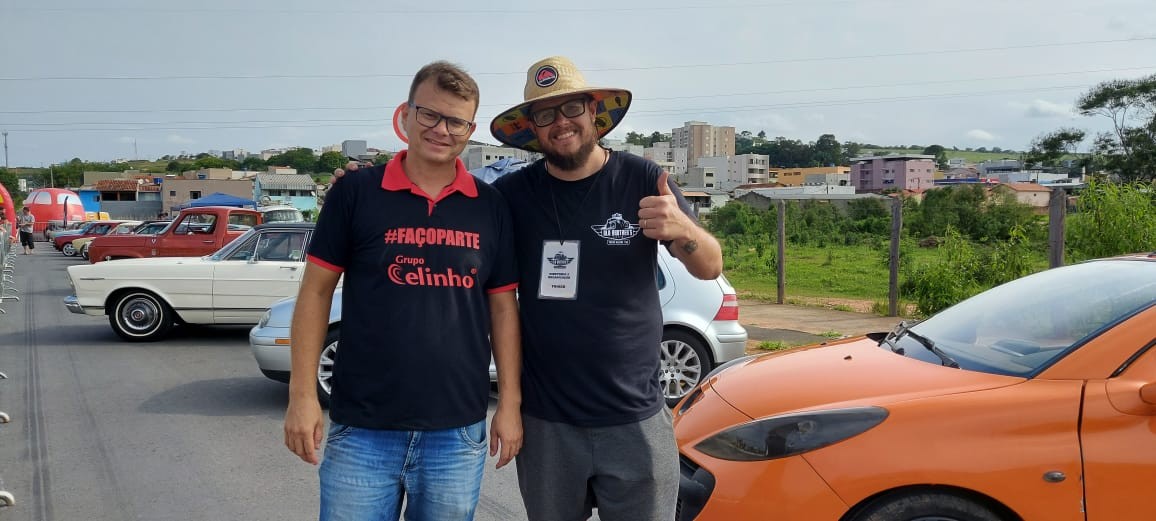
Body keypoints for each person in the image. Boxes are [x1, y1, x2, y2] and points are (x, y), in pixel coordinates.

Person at [283, 60, 523, 521]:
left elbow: (503, 309)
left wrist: (510, 404)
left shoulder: (490, 206)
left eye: (456, 121)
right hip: (362, 427)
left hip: (456, 430)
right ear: (406, 115)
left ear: (469, 129)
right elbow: (314, 294)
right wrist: (302, 396)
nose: (441, 129)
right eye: (430, 114)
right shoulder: (355, 192)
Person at [488, 56, 723, 521]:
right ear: (531, 128)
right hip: (547, 420)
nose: (561, 123)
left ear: (594, 112)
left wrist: (683, 228)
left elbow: (710, 267)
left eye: (570, 108)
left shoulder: (642, 179)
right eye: (544, 114)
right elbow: (501, 303)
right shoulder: (512, 196)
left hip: (635, 415)